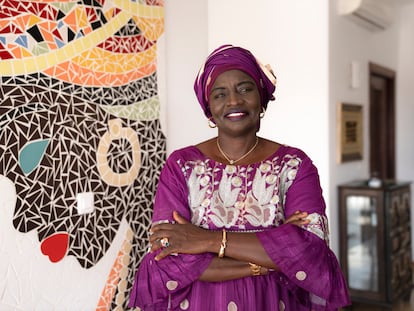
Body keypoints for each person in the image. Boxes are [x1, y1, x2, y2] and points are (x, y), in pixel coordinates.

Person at [129, 44, 350, 311]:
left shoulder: (294, 165)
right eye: (220, 94)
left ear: (261, 98)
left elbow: (309, 251)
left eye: (245, 89)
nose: (233, 101)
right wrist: (274, 252)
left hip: (274, 302)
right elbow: (167, 255)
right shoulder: (182, 165)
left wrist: (206, 240)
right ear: (209, 107)